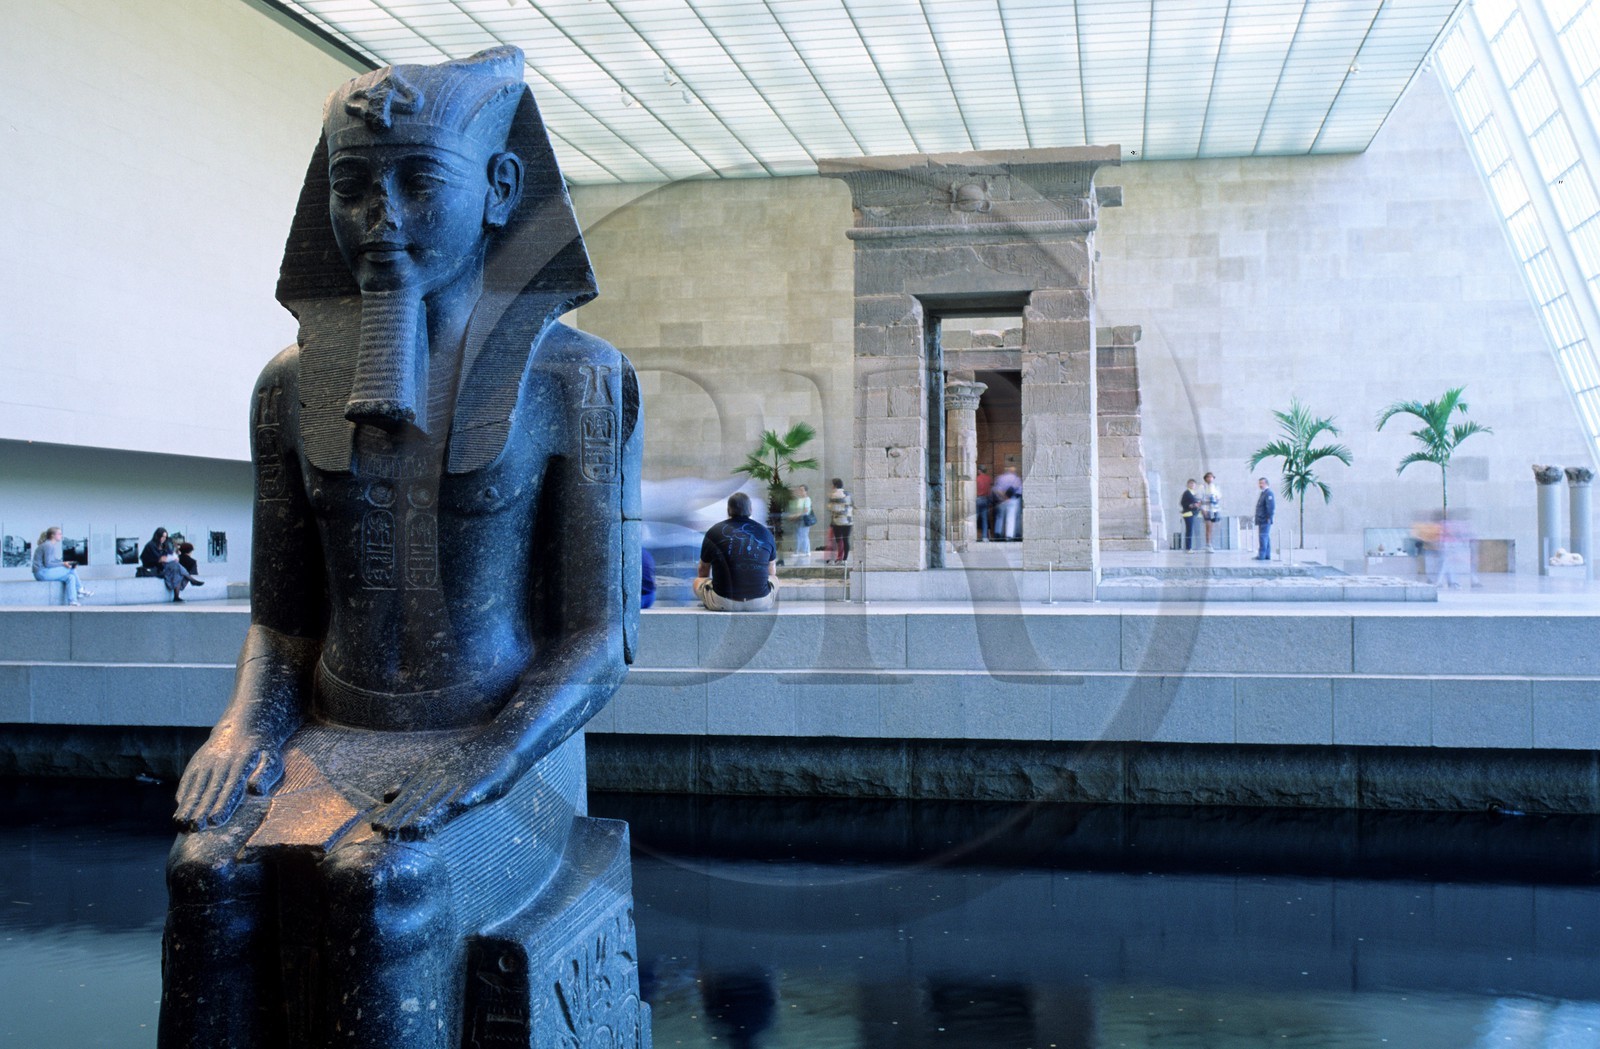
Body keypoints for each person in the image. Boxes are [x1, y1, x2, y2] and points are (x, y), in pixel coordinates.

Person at [160, 47, 644, 1049]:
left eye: (418, 181)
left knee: (383, 883)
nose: (381, 214)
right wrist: (244, 725)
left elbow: (600, 637)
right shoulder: (288, 385)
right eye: (354, 185)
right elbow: (282, 616)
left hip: (500, 745)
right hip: (336, 733)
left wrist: (484, 754)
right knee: (206, 873)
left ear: (501, 189)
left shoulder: (576, 379)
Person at [695, 492, 778, 611]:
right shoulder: (765, 532)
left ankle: (709, 600)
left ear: (728, 510)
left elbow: (703, 568)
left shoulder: (714, 531)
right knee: (774, 579)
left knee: (697, 581)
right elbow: (771, 569)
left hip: (723, 601)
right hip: (760, 602)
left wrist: (708, 582)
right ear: (750, 509)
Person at [139, 527, 204, 602]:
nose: (164, 539)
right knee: (177, 566)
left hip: (164, 566)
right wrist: (158, 560)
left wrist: (173, 556)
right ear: (158, 536)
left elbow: (168, 555)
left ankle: (177, 596)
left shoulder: (164, 545)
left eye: (165, 537)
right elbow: (145, 559)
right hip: (154, 568)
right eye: (162, 536)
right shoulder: (150, 545)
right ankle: (191, 580)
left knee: (177, 569)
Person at [30, 526, 90, 605]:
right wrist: (64, 564)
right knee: (71, 569)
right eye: (59, 534)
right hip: (42, 573)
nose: (61, 536)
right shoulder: (48, 545)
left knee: (70, 577)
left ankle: (73, 601)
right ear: (52, 536)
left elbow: (53, 561)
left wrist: (66, 563)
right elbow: (48, 564)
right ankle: (80, 589)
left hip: (42, 573)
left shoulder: (48, 545)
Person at [828, 477, 853, 563]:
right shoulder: (848, 494)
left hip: (837, 522)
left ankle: (839, 558)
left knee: (839, 540)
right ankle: (845, 559)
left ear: (834, 485)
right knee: (846, 540)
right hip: (848, 521)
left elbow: (831, 508)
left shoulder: (833, 494)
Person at [787, 483, 813, 565]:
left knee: (804, 535)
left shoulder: (807, 499)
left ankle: (805, 551)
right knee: (799, 535)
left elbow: (805, 510)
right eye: (800, 490)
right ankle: (800, 551)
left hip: (803, 519)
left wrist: (796, 515)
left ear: (806, 491)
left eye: (802, 490)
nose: (800, 492)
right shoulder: (799, 500)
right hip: (798, 519)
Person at [993, 464, 1022, 539]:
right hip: (1012, 500)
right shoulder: (1016, 479)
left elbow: (995, 489)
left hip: (1001, 500)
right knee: (1010, 517)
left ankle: (997, 533)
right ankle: (1009, 535)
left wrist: (1003, 496)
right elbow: (1019, 491)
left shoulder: (1000, 478)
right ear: (1014, 472)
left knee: (999, 517)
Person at [1254, 477, 1276, 560]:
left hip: (1265, 519)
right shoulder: (1263, 493)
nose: (1260, 485)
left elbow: (1270, 507)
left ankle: (1262, 555)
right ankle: (1267, 555)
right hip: (1261, 519)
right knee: (1265, 537)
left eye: (1262, 483)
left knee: (1263, 537)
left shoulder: (1269, 493)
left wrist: (1269, 517)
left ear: (1266, 483)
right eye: (1259, 483)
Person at [1201, 472, 1222, 551]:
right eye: (1208, 477)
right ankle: (1208, 544)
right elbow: (1201, 499)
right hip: (1207, 509)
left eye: (1211, 477)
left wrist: (1216, 498)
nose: (1210, 478)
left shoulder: (1216, 487)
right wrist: (1203, 509)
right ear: (1205, 478)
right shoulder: (1203, 487)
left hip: (1215, 509)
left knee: (1214, 527)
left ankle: (1213, 543)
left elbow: (1219, 497)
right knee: (1208, 527)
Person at [1180, 479, 1201, 551]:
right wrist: (1190, 505)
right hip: (1188, 514)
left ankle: (1193, 547)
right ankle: (1188, 548)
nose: (1192, 485)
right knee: (1189, 531)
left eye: (1193, 484)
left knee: (1193, 531)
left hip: (1193, 514)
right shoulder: (1187, 493)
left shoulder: (1193, 493)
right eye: (1191, 484)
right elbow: (1183, 503)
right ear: (1188, 484)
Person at [975, 464, 993, 541]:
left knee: (974, 518)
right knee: (984, 519)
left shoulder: (977, 479)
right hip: (986, 499)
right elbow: (989, 490)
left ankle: (971, 536)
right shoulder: (988, 478)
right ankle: (984, 537)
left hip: (978, 498)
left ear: (979, 470)